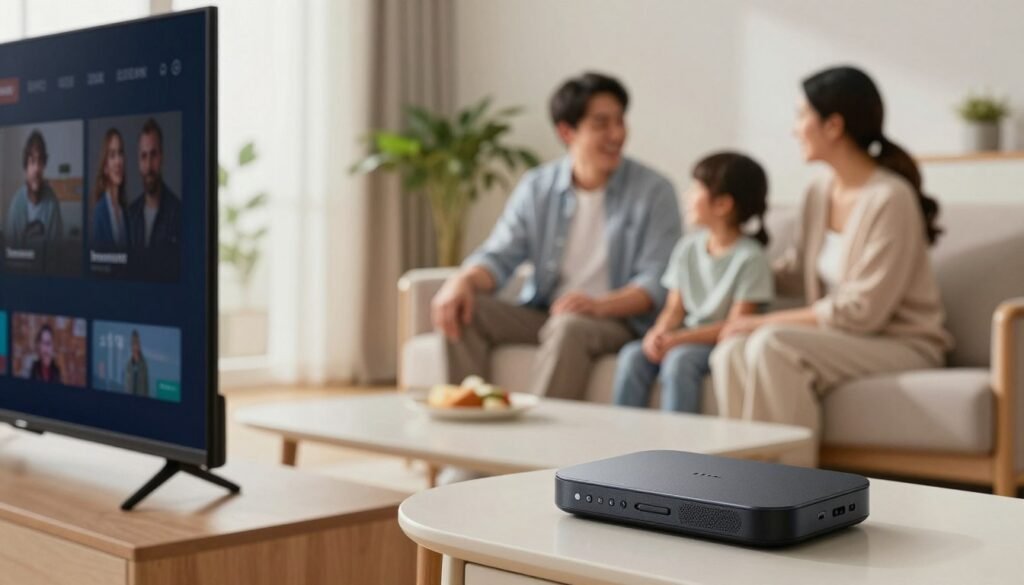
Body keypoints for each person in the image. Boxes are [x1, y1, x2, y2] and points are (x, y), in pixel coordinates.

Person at [710, 66, 952, 466]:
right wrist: (732, 263)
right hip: (848, 337)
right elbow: (795, 270)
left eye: (801, 116)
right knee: (730, 349)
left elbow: (862, 311)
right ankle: (743, 483)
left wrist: (761, 322)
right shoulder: (817, 192)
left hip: (901, 342)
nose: (794, 129)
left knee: (772, 344)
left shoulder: (890, 198)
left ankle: (794, 490)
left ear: (833, 125)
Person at [432, 72, 681, 399]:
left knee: (569, 326)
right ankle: (468, 422)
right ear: (567, 131)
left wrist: (598, 306)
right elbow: (500, 255)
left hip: (615, 321)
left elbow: (656, 282)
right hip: (547, 313)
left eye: (620, 121)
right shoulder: (538, 187)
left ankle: (537, 445)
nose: (617, 134)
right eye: (601, 123)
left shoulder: (654, 191)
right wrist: (460, 281)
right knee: (466, 310)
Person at [613, 152, 773, 412]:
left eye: (696, 189)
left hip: (717, 343)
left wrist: (680, 340)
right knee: (632, 355)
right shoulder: (688, 247)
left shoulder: (750, 258)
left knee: (680, 361)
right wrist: (659, 333)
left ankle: (679, 448)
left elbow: (736, 325)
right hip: (684, 336)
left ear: (722, 204)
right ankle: (622, 442)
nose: (687, 196)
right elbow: (674, 308)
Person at [127, 118, 181, 277]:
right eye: (143, 156)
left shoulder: (178, 213)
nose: (149, 166)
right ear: (138, 162)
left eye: (153, 155)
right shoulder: (130, 215)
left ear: (162, 157)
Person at [4, 131, 64, 254]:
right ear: (25, 167)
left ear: (44, 165)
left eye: (40, 162)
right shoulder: (16, 205)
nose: (36, 168)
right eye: (32, 162)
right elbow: (10, 253)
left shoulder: (52, 204)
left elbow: (56, 253)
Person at [91, 128, 130, 251]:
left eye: (120, 153)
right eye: (112, 155)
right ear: (105, 167)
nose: (118, 161)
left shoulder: (126, 211)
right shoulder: (100, 211)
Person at [123, 330, 149, 397]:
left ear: (139, 345)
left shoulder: (144, 364)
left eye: (136, 343)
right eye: (132, 343)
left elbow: (146, 387)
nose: (134, 346)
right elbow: (126, 387)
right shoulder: (128, 364)